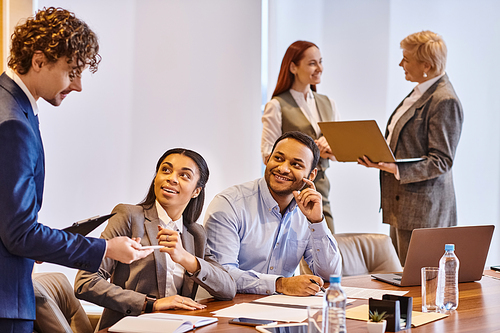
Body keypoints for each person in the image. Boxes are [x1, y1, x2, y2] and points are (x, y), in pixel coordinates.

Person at [0, 8, 152, 332]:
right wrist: (106, 249)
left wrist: (41, 243)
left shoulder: (10, 106)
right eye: (72, 72)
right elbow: (20, 234)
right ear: (39, 60)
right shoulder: (13, 123)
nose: (79, 86)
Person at [75, 148, 236, 330]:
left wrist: (186, 258)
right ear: (155, 179)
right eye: (165, 170)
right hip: (126, 328)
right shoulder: (129, 216)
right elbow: (86, 282)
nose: (172, 178)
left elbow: (228, 289)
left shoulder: (195, 233)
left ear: (196, 191)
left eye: (184, 175)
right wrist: (151, 303)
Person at [358, 31, 463, 266]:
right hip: (403, 207)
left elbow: (442, 161)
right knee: (402, 280)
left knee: (417, 283)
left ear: (426, 65)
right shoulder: (420, 91)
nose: (400, 64)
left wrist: (396, 169)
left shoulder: (444, 100)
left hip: (424, 212)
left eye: (406, 59)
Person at [205, 131, 342, 296]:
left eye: (296, 164)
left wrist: (317, 222)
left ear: (311, 175)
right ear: (267, 159)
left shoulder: (307, 211)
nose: (283, 168)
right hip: (227, 308)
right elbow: (221, 275)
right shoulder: (229, 204)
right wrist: (281, 284)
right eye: (278, 158)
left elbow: (331, 275)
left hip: (280, 311)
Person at [261, 40, 340, 233]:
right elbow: (266, 155)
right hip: (289, 191)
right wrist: (307, 150)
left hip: (320, 187)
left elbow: (341, 153)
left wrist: (331, 148)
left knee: (327, 245)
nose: (319, 68)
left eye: (320, 62)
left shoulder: (328, 103)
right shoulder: (277, 105)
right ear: (293, 67)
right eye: (312, 63)